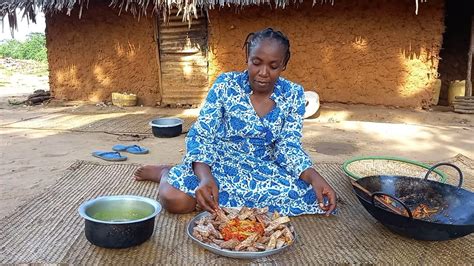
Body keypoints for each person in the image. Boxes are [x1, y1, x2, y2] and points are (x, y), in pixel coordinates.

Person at [134, 27, 337, 216]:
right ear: (247, 58)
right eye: (256, 63)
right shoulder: (226, 86)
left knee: (315, 198)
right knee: (176, 201)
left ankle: (203, 189)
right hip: (217, 162)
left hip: (264, 167)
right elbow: (203, 134)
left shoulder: (293, 94)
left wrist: (313, 176)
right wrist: (205, 177)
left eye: (273, 66)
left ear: (284, 64)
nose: (263, 73)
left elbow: (288, 146)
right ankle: (165, 173)